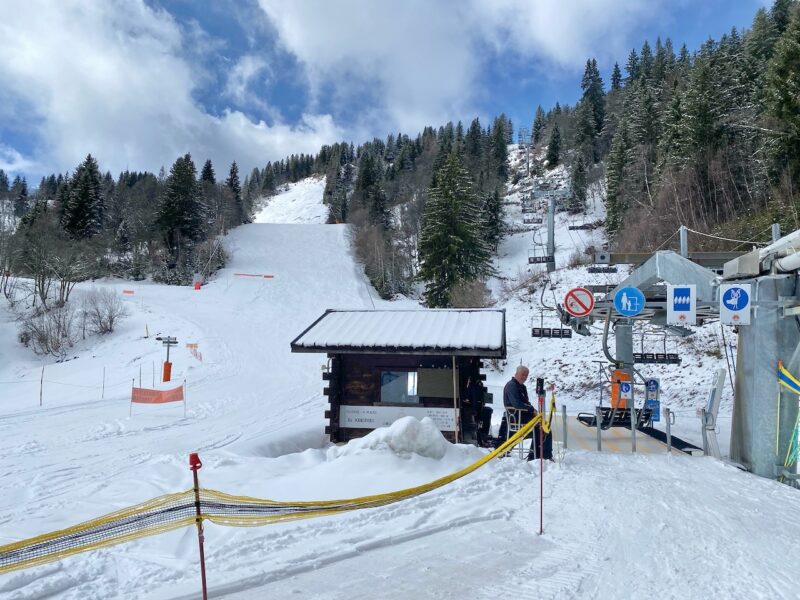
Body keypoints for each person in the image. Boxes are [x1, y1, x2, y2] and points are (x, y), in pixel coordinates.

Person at [498, 366, 540, 461]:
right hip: (516, 417)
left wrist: (532, 410)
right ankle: (536, 455)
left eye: (526, 375)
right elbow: (517, 404)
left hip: (523, 415)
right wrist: (531, 409)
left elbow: (526, 402)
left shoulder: (522, 387)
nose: (524, 377)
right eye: (522, 374)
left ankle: (538, 454)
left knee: (544, 425)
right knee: (541, 426)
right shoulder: (512, 386)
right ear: (516, 374)